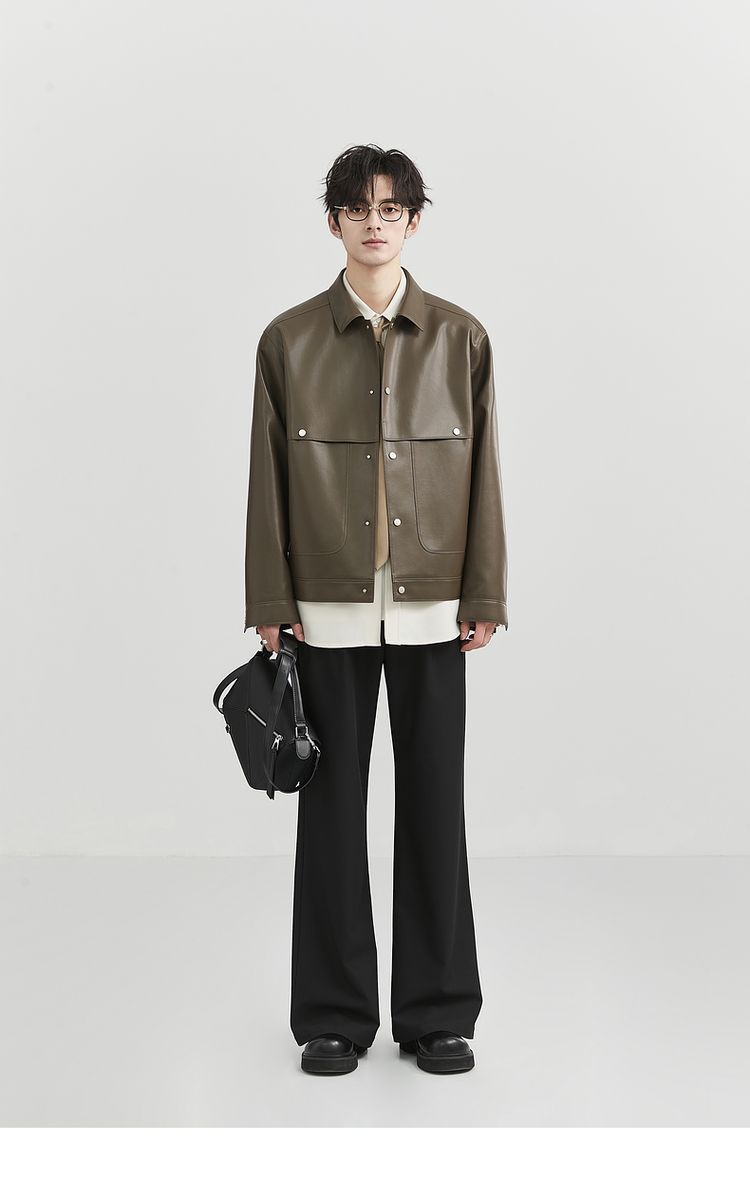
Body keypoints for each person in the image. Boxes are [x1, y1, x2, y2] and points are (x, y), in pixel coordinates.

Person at [244, 144, 509, 1075]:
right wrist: (270, 599)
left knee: (436, 809)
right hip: (326, 611)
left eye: (391, 208)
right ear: (334, 222)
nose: (374, 222)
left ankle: (438, 1014)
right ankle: (333, 1016)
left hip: (435, 611)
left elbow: (484, 474)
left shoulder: (462, 338)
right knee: (330, 818)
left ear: (413, 221)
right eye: (357, 208)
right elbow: (267, 480)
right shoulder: (288, 341)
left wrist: (485, 590)